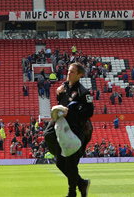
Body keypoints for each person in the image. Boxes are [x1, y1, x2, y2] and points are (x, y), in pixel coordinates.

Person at [44, 63, 93, 197]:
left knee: (71, 163)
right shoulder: (63, 87)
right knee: (60, 163)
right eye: (68, 71)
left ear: (80, 75)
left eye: (72, 72)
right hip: (63, 127)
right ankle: (82, 183)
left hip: (78, 130)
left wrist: (73, 110)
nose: (68, 74)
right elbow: (61, 104)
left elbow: (90, 111)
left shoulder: (83, 92)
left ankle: (72, 193)